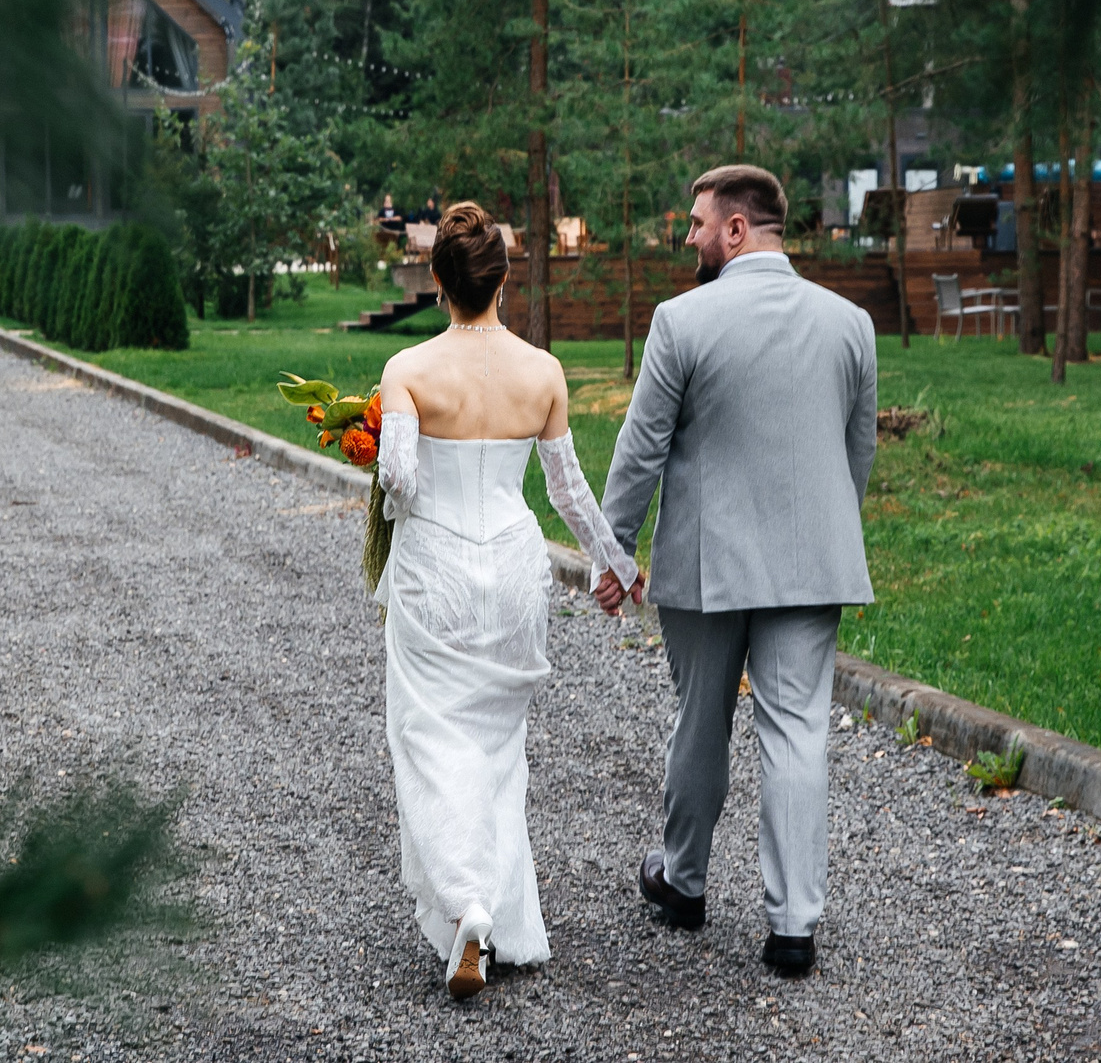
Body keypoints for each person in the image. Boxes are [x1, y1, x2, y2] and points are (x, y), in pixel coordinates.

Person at [601, 163, 877, 978]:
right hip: (812, 562)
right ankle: (793, 927)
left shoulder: (681, 321)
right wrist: (829, 535)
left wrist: (614, 554)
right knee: (797, 731)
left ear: (735, 228)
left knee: (701, 720)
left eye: (695, 223)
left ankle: (683, 882)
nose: (687, 235)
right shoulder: (849, 323)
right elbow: (854, 453)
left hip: (706, 565)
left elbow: (640, 450)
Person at [374, 202, 640, 1000]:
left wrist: (379, 452)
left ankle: (466, 905)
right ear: (502, 279)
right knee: (495, 748)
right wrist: (615, 564)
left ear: (437, 280)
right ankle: (496, 915)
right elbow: (567, 490)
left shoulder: (408, 372)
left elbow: (399, 482)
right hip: (517, 576)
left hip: (436, 578)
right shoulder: (544, 371)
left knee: (429, 738)